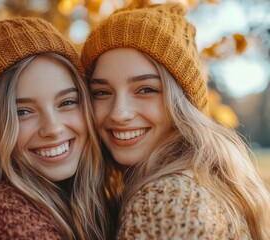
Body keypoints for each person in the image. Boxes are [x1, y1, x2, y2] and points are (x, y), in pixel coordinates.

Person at [81, 2, 270, 239]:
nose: (119, 113)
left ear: (183, 103)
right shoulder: (199, 183)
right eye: (101, 92)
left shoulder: (165, 201)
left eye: (146, 89)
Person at [0, 17, 107, 240]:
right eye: (23, 112)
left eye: (67, 102)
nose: (53, 128)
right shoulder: (4, 220)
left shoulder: (86, 201)